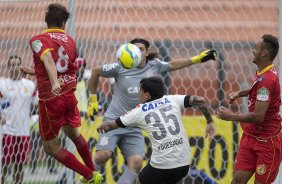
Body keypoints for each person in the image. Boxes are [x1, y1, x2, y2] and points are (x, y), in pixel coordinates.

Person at [87, 38, 217, 184]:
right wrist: (92, 99)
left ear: (147, 52)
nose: (137, 52)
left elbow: (173, 64)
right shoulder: (120, 66)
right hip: (114, 119)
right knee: (102, 155)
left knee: (137, 162)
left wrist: (197, 59)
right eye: (134, 49)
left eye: (141, 49)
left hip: (134, 123)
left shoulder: (154, 65)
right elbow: (96, 70)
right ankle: (84, 179)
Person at [27, 3, 102, 184]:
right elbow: (65, 69)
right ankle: (93, 172)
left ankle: (89, 175)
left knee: (51, 147)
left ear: (47, 22)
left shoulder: (38, 40)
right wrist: (33, 71)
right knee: (74, 135)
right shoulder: (70, 40)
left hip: (51, 99)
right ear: (63, 23)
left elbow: (48, 60)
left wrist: (53, 83)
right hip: (69, 97)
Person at [97, 76, 216, 184]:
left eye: (140, 90)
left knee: (138, 182)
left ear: (147, 95)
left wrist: (103, 126)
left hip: (161, 166)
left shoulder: (139, 111)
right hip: (184, 165)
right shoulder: (172, 99)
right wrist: (210, 122)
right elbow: (200, 100)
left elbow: (111, 125)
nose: (138, 93)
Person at [216, 34, 282, 184]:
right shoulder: (263, 73)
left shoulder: (268, 80)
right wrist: (240, 92)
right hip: (250, 136)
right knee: (237, 181)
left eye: (256, 48)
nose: (252, 50)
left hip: (267, 143)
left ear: (264, 53)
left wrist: (231, 116)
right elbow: (257, 88)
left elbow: (258, 116)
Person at [0, 55, 37, 184]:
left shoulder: (30, 85)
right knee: (4, 163)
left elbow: (35, 105)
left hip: (23, 131)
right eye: (12, 65)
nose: (15, 67)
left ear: (21, 67)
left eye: (17, 65)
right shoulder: (2, 84)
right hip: (7, 131)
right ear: (8, 67)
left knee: (20, 165)